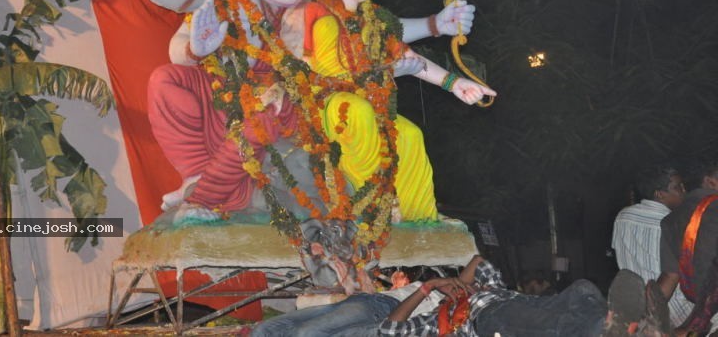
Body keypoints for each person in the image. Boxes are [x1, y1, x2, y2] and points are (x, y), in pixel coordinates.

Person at [144, 0, 480, 219]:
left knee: (391, 129)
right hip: (226, 92)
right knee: (164, 81)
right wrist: (196, 44)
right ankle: (199, 178)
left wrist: (436, 29)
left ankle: (396, 208)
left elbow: (382, 34)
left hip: (289, 97)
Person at [301, 0, 495, 221]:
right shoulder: (313, 10)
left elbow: (409, 58)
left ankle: (419, 218)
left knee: (409, 134)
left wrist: (455, 83)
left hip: (368, 101)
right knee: (358, 112)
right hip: (328, 101)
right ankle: (372, 204)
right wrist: (386, 70)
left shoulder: (373, 23)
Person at [251, 255, 664, 336]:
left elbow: (479, 260)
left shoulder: (489, 285)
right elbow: (391, 330)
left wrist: (461, 283)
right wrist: (431, 287)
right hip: (479, 324)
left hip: (505, 306)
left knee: (582, 289)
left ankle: (618, 324)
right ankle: (605, 327)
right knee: (312, 332)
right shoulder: (424, 312)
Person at [612, 165, 691, 326]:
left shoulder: (623, 217)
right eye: (678, 187)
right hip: (672, 308)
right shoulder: (675, 223)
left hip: (637, 306)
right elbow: (673, 275)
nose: (684, 191)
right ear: (659, 194)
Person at [658, 160, 718, 336]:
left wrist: (643, 316)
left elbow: (670, 276)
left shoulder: (670, 221)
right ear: (710, 181)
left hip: (701, 312)